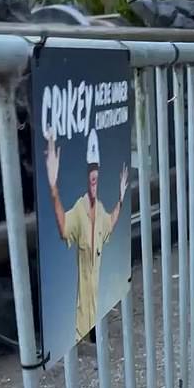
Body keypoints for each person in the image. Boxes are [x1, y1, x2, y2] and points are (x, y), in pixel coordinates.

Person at [46, 127, 128, 344]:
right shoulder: (79, 210)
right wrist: (53, 186)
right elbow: (64, 226)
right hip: (81, 320)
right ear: (87, 177)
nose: (94, 180)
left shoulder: (100, 211)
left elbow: (111, 221)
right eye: (91, 176)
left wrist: (120, 199)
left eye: (96, 176)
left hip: (98, 307)